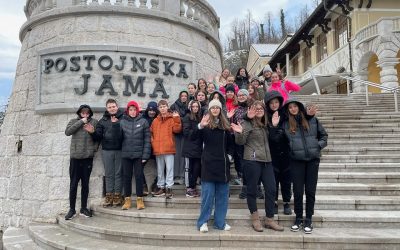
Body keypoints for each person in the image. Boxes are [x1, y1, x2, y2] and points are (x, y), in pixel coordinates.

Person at [232, 100, 284, 232]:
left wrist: (274, 126)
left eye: (261, 108)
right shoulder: (247, 122)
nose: (259, 110)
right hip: (252, 160)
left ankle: (269, 219)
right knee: (252, 190)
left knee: (271, 189)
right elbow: (240, 141)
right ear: (251, 110)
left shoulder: (266, 124)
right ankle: (255, 218)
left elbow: (274, 140)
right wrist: (239, 131)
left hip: (267, 161)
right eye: (256, 108)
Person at [280, 98, 328, 234]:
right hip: (296, 161)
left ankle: (308, 219)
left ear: (299, 108)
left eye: (295, 106)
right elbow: (282, 141)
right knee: (298, 191)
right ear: (288, 110)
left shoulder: (312, 120)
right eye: (290, 108)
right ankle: (298, 218)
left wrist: (317, 147)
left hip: (312, 161)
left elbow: (324, 136)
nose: (293, 109)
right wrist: (291, 150)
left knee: (310, 191)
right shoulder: (286, 124)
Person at [194, 99, 233, 233]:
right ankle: (202, 222)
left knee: (222, 197)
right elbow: (193, 138)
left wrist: (229, 156)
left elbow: (231, 145)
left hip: (222, 166)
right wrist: (200, 126)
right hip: (208, 165)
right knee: (208, 196)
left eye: (217, 107)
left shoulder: (225, 126)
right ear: (209, 110)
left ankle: (220, 223)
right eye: (213, 108)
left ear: (220, 110)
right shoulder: (204, 125)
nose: (215, 109)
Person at [65, 104, 98, 220]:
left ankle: (84, 208)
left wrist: (93, 150)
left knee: (85, 184)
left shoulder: (94, 122)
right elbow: (68, 132)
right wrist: (81, 122)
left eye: (87, 113)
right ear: (80, 113)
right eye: (83, 112)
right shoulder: (74, 121)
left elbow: (97, 138)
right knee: (73, 184)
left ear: (90, 113)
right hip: (75, 158)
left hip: (87, 158)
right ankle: (72, 209)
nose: (85, 114)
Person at [90, 99, 123, 208]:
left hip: (120, 149)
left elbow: (124, 134)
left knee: (118, 173)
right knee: (109, 173)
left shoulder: (122, 118)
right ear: (107, 109)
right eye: (109, 107)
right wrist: (93, 132)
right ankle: (109, 195)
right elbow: (98, 136)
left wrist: (116, 125)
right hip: (107, 150)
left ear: (117, 107)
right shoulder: (103, 120)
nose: (112, 108)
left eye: (113, 106)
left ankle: (117, 195)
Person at [119, 101, 151, 210]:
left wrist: (145, 155)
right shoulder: (122, 122)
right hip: (126, 154)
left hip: (139, 155)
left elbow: (147, 140)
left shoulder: (143, 122)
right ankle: (127, 200)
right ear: (127, 111)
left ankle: (139, 199)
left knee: (138, 177)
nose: (132, 112)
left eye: (134, 110)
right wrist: (114, 127)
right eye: (130, 110)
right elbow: (119, 138)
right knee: (126, 177)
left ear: (137, 110)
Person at [264, 91, 292, 215]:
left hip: (286, 153)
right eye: (271, 103)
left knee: (286, 180)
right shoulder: (265, 117)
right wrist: (274, 129)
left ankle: (286, 202)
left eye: (276, 102)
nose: (274, 105)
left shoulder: (285, 115)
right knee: (273, 181)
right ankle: (274, 201)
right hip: (272, 154)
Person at [151, 100, 182, 198]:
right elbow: (151, 133)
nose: (163, 108)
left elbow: (177, 130)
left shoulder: (172, 118)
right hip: (158, 149)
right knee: (160, 170)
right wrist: (153, 143)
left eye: (164, 106)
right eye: (160, 107)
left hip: (169, 148)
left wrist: (177, 119)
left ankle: (169, 188)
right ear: (158, 109)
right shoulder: (155, 121)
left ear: (167, 107)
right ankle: (161, 187)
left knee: (169, 169)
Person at [182, 100, 203, 198]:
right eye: (193, 106)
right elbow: (187, 133)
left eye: (197, 107)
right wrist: (198, 128)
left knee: (197, 168)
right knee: (189, 169)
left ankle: (193, 187)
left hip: (198, 147)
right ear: (190, 107)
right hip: (189, 147)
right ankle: (189, 188)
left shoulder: (200, 117)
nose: (195, 108)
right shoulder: (187, 117)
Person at [170, 91, 189, 184]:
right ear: (179, 97)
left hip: (185, 133)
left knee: (183, 155)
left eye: (185, 96)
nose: (184, 97)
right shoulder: (174, 106)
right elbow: (172, 118)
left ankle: (181, 175)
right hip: (176, 133)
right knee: (176, 154)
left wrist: (180, 118)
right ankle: (175, 175)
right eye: (182, 96)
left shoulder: (190, 106)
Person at [142, 101, 159, 194]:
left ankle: (156, 184)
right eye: (150, 110)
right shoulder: (142, 118)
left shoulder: (159, 118)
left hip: (157, 146)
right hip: (146, 147)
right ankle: (143, 185)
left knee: (162, 167)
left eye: (154, 110)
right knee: (139, 166)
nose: (152, 112)